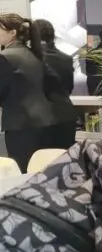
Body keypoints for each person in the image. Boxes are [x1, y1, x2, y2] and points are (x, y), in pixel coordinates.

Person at [0, 14, 75, 170]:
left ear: (12, 33)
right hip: (47, 123)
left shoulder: (6, 57)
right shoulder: (33, 54)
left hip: (22, 125)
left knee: (24, 174)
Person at [33, 18, 78, 150]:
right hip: (66, 116)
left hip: (40, 120)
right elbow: (69, 87)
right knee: (63, 159)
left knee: (37, 160)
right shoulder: (67, 58)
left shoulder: (31, 58)